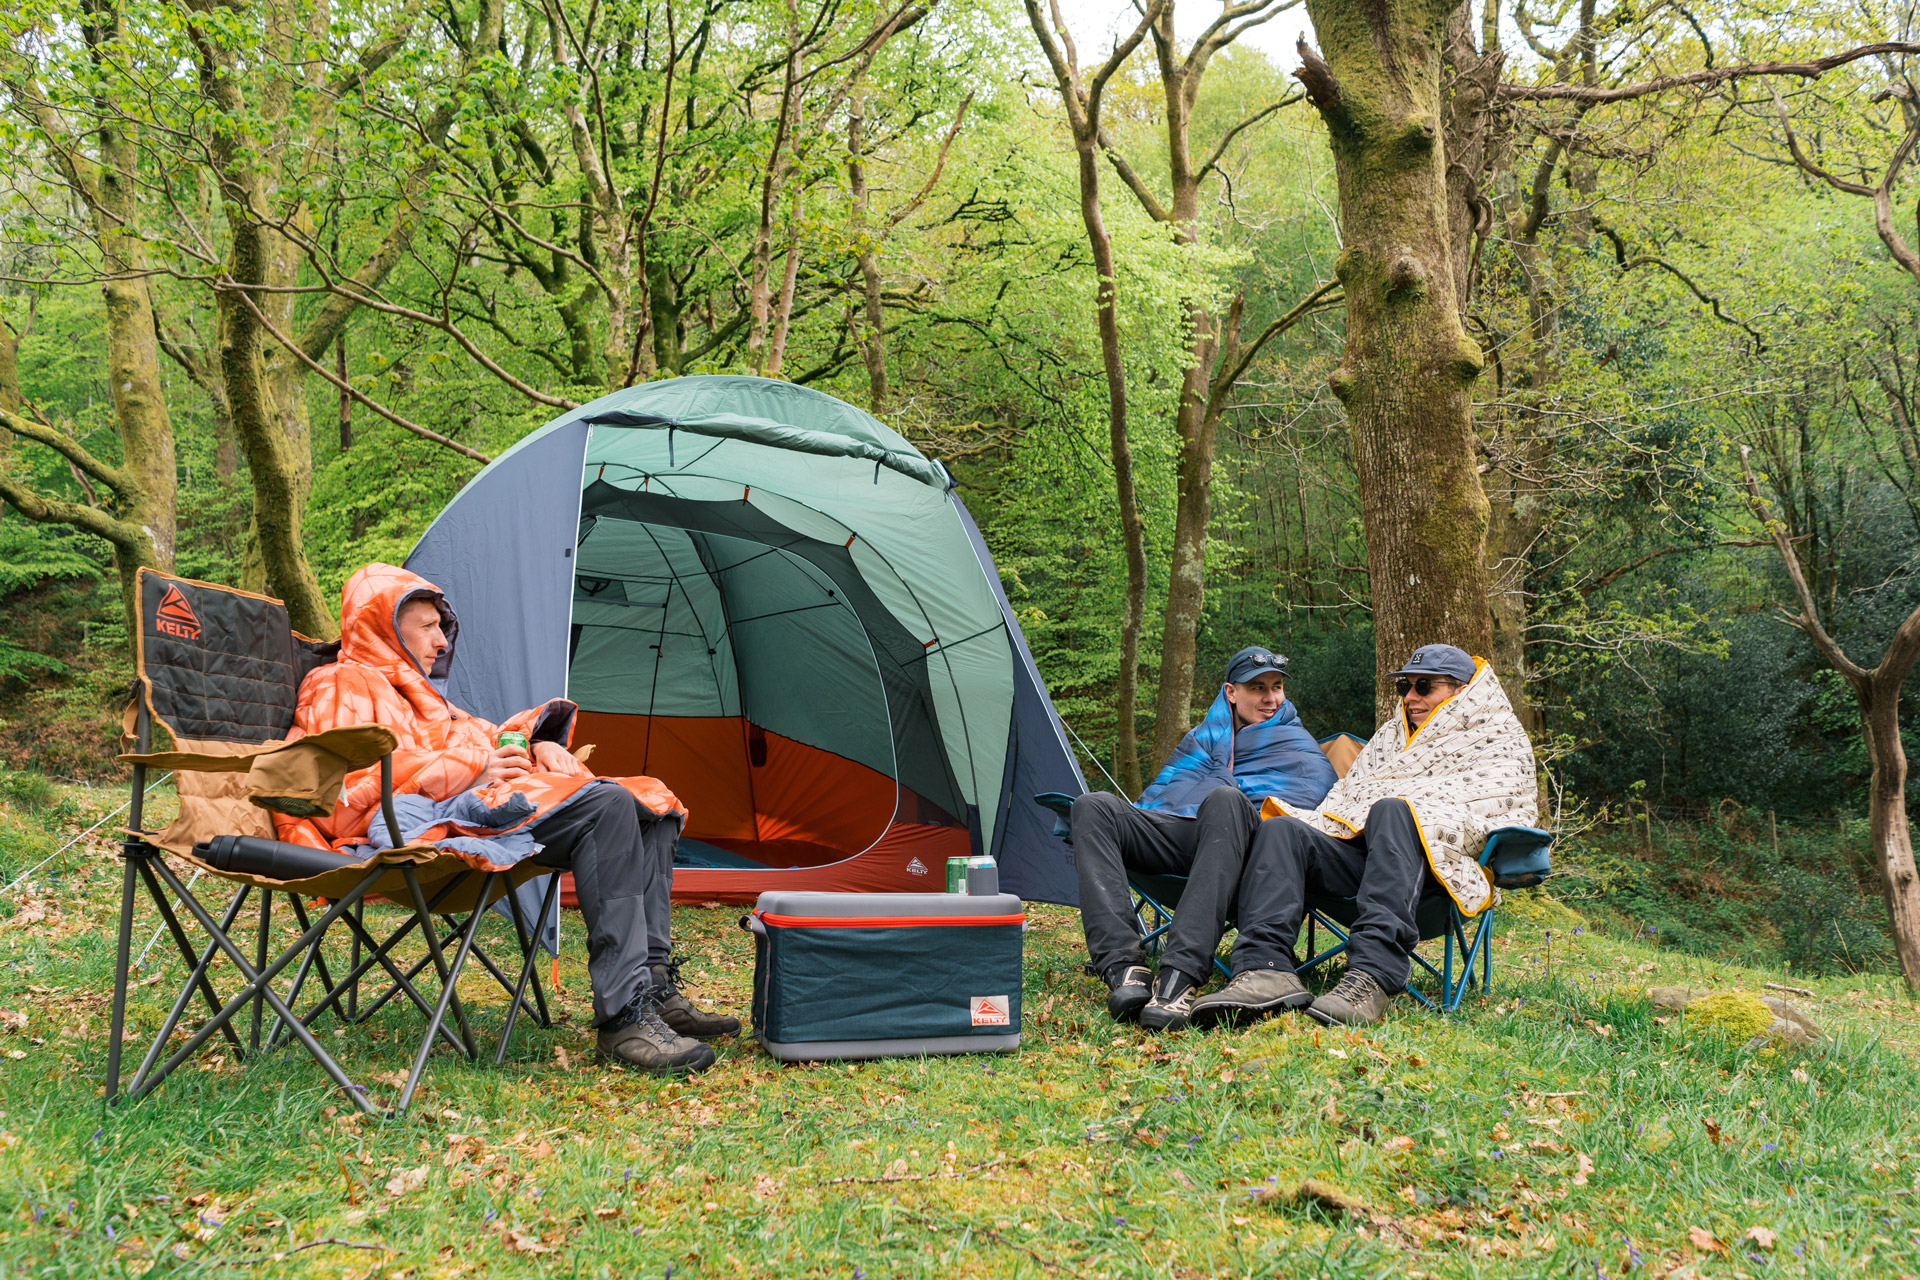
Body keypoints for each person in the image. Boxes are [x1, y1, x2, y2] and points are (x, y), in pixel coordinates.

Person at [273, 564, 739, 1075]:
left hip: (480, 819)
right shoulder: (340, 683)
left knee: (651, 804)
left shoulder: (428, 701)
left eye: (440, 627)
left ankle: (654, 991)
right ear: (383, 625)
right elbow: (335, 796)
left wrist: (538, 747)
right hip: (419, 839)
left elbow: (487, 737)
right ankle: (624, 1019)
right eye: (427, 626)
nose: (441, 641)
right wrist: (471, 768)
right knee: (606, 805)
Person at [1189, 644, 1538, 1030]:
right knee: (1281, 828)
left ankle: (1371, 976)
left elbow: (1501, 808)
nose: (1410, 697)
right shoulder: (1390, 735)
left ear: (1461, 691)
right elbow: (1347, 794)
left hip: (1432, 876)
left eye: (1424, 686)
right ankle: (1263, 968)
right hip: (1364, 860)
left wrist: (1411, 807)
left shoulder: (1498, 735)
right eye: (1404, 687)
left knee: (1393, 808)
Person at [1071, 647, 1338, 1031]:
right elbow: (1167, 797)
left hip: (1250, 854)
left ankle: (1180, 977)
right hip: (1191, 838)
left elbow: (1303, 820)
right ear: (1231, 692)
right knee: (1092, 805)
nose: (1270, 698)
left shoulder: (1297, 745)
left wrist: (1225, 792)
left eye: (1277, 687)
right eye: (1258, 687)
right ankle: (1124, 968)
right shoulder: (1203, 737)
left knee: (1226, 800)